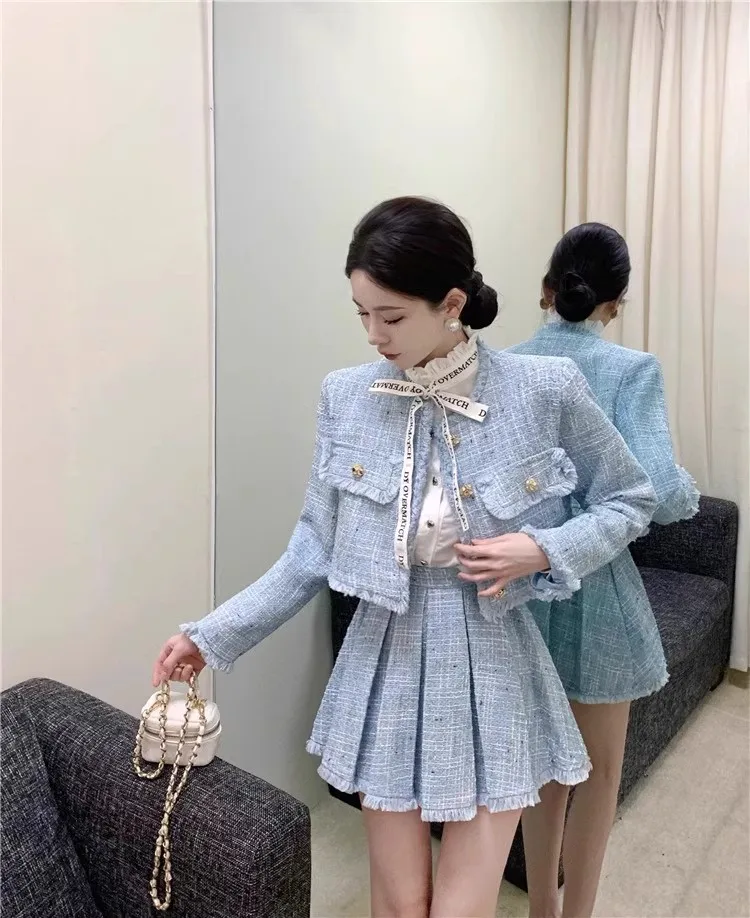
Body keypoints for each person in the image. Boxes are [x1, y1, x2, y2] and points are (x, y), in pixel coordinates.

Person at [152, 199, 658, 918]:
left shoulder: (543, 388)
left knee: (461, 908)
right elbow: (312, 549)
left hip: (496, 662)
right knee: (397, 904)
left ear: (452, 304)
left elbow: (631, 497)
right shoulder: (346, 397)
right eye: (362, 314)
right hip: (384, 658)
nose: (373, 335)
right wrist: (209, 636)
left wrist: (543, 548)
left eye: (390, 316)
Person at [508, 222, 699, 918]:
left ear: (546, 289)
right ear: (615, 302)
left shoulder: (507, 364)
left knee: (544, 767)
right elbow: (659, 488)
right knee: (599, 771)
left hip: (520, 588)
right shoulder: (630, 369)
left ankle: (541, 907)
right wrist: (687, 493)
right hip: (597, 589)